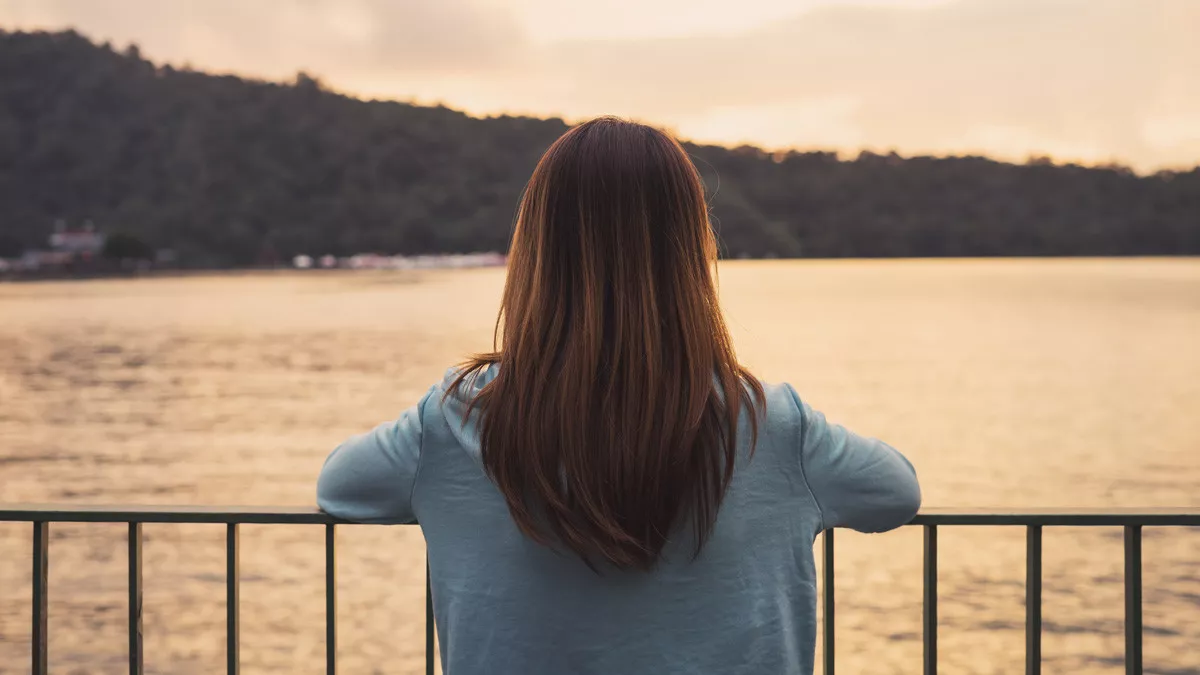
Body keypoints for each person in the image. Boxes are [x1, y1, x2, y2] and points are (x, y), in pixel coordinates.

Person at [317, 117, 921, 675]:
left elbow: (339, 487)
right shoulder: (771, 423)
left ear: (536, 252)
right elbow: (896, 492)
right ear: (688, 253)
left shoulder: (456, 417)